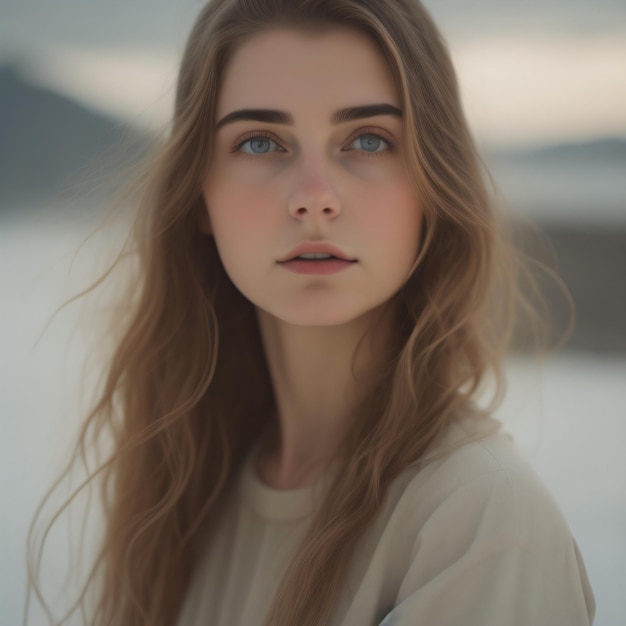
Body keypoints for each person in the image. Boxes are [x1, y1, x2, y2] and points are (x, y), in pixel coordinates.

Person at [27, 0, 595, 625]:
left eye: (370, 139)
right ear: (198, 198)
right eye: (261, 142)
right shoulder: (190, 493)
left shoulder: (479, 525)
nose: (314, 198)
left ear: (433, 187)